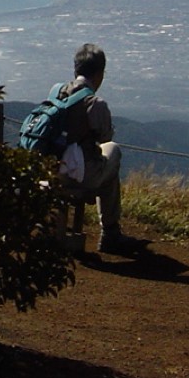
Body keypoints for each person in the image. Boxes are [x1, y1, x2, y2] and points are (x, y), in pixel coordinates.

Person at [58, 43, 132, 255]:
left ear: (76, 69)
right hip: (79, 177)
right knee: (113, 152)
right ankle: (110, 232)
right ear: (99, 74)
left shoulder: (57, 92)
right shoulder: (95, 103)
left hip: (50, 170)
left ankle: (110, 232)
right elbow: (106, 138)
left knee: (105, 167)